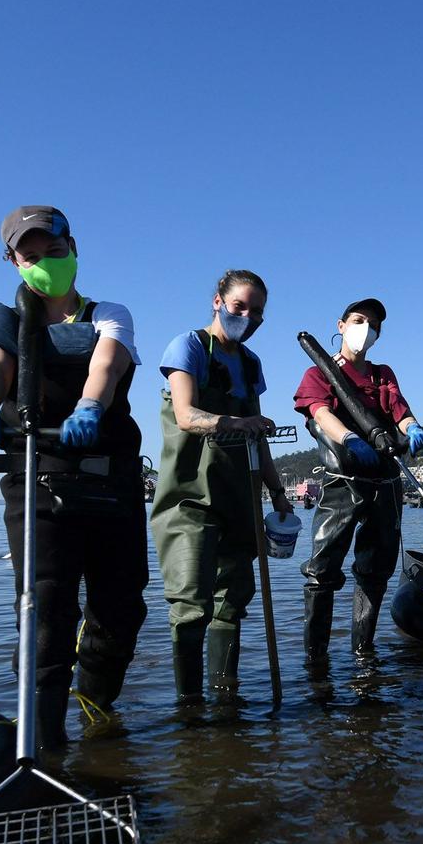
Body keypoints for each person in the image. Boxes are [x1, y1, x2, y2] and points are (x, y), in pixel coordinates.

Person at [0, 204, 149, 745]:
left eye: (55, 251)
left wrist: (90, 407)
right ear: (13, 261)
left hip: (109, 479)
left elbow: (107, 364)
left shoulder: (107, 313)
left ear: (74, 248)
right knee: (45, 610)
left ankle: (95, 702)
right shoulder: (2, 320)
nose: (45, 263)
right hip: (36, 478)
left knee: (121, 605)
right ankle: (42, 739)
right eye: (31, 255)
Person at [151, 270, 293, 704]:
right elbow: (187, 416)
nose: (248, 317)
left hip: (239, 499)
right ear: (218, 302)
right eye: (240, 307)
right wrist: (235, 421)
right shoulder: (189, 346)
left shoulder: (250, 364)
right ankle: (189, 709)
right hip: (190, 498)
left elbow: (257, 440)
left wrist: (278, 490)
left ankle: (224, 697)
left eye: (258, 312)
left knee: (232, 602)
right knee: (191, 605)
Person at [293, 297, 423, 674]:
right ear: (340, 326)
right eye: (358, 320)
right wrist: (350, 438)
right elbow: (319, 412)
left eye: (373, 324)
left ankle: (362, 650)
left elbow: (399, 410)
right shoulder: (319, 372)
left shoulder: (382, 373)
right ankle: (315, 658)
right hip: (344, 481)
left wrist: (412, 427)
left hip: (385, 479)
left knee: (376, 568)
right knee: (322, 570)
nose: (365, 328)